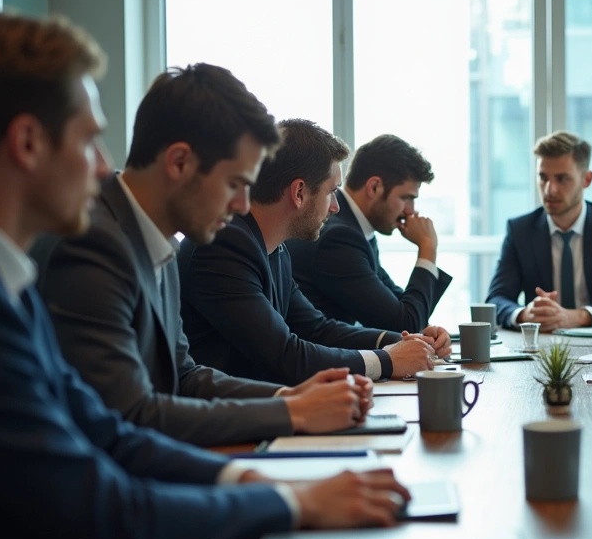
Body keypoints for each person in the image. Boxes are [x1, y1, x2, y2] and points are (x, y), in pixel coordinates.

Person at [0, 12, 409, 539]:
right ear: (27, 143)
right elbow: (113, 500)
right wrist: (291, 502)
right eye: (88, 140)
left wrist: (257, 480)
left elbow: (114, 422)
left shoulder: (17, 277)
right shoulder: (20, 278)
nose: (101, 166)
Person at [34, 64, 375, 447]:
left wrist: (291, 398)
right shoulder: (94, 242)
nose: (244, 204)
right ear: (179, 163)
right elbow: (129, 415)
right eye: (235, 183)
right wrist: (291, 413)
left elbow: (186, 375)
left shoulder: (159, 241)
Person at [178, 119, 444, 385]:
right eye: (332, 192)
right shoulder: (224, 246)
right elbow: (286, 355)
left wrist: (405, 341)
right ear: (299, 192)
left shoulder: (272, 247)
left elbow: (318, 329)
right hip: (235, 417)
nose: (335, 207)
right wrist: (388, 361)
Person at [486, 130, 592, 331]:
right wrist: (525, 314)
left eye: (562, 179)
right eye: (543, 177)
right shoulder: (520, 230)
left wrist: (579, 316)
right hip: (542, 347)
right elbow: (495, 300)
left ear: (586, 179)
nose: (549, 190)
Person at [287, 134, 452, 333]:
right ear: (374, 187)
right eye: (406, 197)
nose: (411, 211)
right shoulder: (338, 238)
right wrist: (428, 248)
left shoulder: (355, 229)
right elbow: (404, 324)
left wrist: (426, 329)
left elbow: (403, 310)